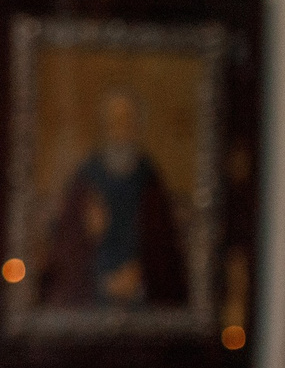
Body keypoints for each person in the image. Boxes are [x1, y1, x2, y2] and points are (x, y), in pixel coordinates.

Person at [37, 86, 188, 308]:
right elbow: (66, 253)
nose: (120, 128)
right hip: (92, 300)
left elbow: (164, 253)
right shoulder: (86, 180)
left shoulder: (149, 181)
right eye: (114, 120)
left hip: (142, 301)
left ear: (137, 126)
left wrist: (140, 277)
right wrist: (99, 273)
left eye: (127, 120)